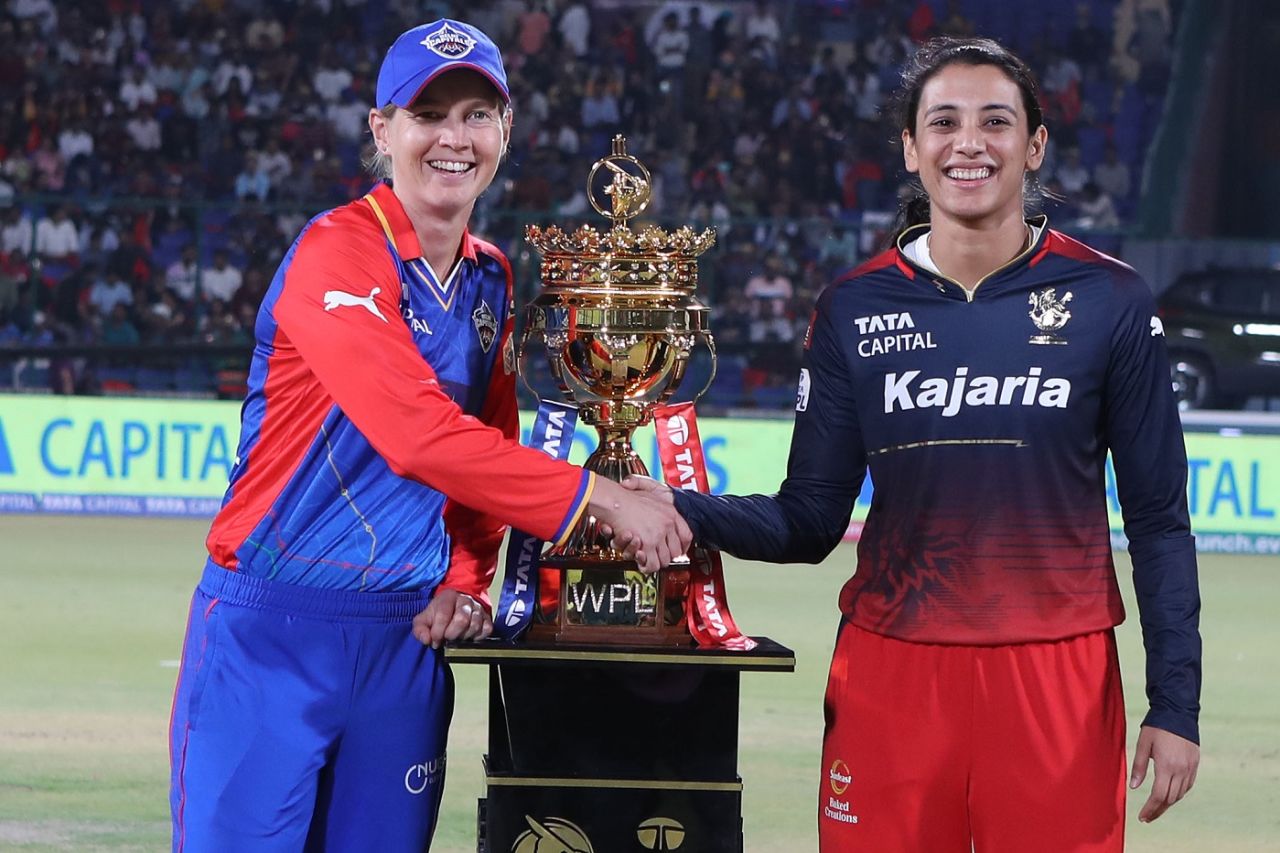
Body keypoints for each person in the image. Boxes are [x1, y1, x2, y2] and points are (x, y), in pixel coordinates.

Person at [622, 37, 1200, 852]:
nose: (970, 142)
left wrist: (1175, 704)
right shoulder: (853, 306)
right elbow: (810, 517)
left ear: (1034, 145)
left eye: (995, 122)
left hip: (1057, 674)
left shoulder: (1110, 299)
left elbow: (1159, 521)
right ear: (910, 147)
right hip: (893, 671)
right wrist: (678, 507)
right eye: (945, 122)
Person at [168, 19, 689, 852]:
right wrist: (600, 497)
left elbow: (488, 441)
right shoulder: (335, 251)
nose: (454, 137)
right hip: (271, 639)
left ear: (505, 133)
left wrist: (467, 578)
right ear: (383, 130)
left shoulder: (490, 277)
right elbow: (418, 434)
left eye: (477, 115)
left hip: (405, 647)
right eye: (428, 113)